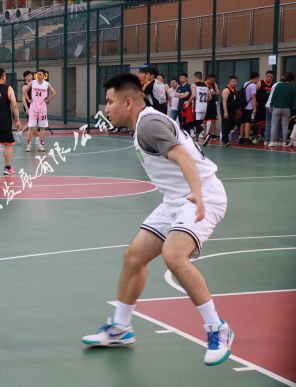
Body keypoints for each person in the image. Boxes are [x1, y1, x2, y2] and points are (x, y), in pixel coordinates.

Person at [82, 73, 233, 367]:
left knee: (174, 255)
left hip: (201, 195)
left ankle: (218, 329)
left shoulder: (149, 125)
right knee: (134, 256)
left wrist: (197, 193)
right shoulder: (145, 123)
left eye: (110, 102)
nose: (106, 108)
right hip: (176, 199)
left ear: (128, 102)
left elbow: (183, 157)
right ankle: (121, 327)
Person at [24, 69, 56, 152]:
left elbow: (54, 93)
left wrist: (47, 100)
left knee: (42, 128)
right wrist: (29, 100)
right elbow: (25, 91)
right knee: (31, 127)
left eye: (40, 74)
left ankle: (40, 145)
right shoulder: (33, 82)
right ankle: (28, 145)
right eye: (37, 74)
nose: (38, 76)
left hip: (42, 109)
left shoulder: (46, 84)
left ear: (44, 75)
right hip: (33, 108)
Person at [268, 72, 296, 147]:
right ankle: (284, 142)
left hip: (276, 108)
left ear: (286, 78)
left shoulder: (279, 85)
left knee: (274, 125)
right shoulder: (293, 87)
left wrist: (271, 105)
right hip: (287, 109)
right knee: (285, 126)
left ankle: (272, 142)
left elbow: (274, 95)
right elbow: (294, 101)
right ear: (292, 80)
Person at [239, 72, 259, 145]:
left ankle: (241, 138)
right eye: (258, 78)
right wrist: (255, 108)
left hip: (243, 105)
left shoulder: (246, 83)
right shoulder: (253, 85)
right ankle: (247, 138)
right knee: (248, 122)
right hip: (249, 106)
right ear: (255, 78)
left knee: (242, 122)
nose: (258, 80)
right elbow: (253, 97)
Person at [190, 71, 211, 140]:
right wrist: (204, 101)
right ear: (201, 77)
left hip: (197, 107)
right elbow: (210, 97)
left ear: (195, 77)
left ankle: (204, 134)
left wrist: (188, 102)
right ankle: (196, 138)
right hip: (204, 107)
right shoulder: (205, 86)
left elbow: (193, 95)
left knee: (194, 123)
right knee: (199, 123)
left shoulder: (194, 85)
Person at [255, 70, 274, 144]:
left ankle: (265, 137)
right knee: (258, 123)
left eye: (271, 76)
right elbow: (254, 93)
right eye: (268, 76)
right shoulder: (260, 82)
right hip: (260, 106)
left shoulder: (273, 85)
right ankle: (257, 136)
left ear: (273, 77)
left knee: (267, 123)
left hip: (268, 107)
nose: (269, 78)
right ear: (265, 76)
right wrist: (255, 102)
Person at [220, 75, 239, 147]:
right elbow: (224, 102)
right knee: (226, 125)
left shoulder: (235, 90)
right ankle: (225, 140)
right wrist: (225, 112)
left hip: (232, 110)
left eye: (236, 82)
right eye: (233, 82)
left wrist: (237, 110)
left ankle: (225, 137)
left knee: (232, 124)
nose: (235, 83)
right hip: (226, 110)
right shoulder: (226, 90)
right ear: (229, 82)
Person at [202, 74, 220, 146]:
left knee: (213, 120)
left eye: (213, 80)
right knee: (204, 121)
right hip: (205, 104)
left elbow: (218, 93)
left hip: (212, 104)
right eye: (211, 80)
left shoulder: (214, 84)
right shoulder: (203, 84)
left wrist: (214, 93)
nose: (212, 81)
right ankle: (204, 134)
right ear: (208, 79)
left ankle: (213, 134)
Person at [21, 70, 33, 137]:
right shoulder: (25, 86)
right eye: (28, 76)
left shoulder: (33, 85)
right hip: (28, 106)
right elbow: (23, 99)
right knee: (32, 123)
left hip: (34, 106)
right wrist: (27, 109)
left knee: (33, 123)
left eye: (31, 75)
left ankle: (19, 133)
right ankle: (20, 133)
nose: (30, 76)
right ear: (25, 77)